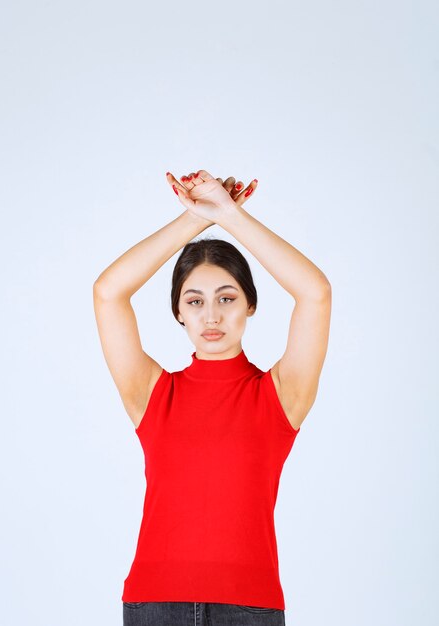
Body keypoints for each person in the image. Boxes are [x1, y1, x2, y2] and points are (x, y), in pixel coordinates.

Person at [93, 169, 332, 626]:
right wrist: (195, 220)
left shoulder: (281, 395)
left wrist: (230, 216)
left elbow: (315, 294)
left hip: (250, 607)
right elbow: (108, 293)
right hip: (153, 604)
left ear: (250, 305)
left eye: (227, 298)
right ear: (179, 313)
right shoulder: (152, 393)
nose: (212, 316)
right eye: (195, 301)